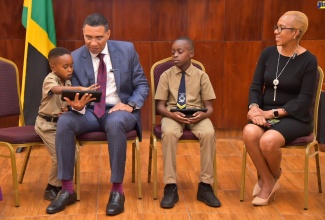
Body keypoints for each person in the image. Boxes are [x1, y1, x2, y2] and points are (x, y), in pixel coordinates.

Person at [45, 13, 149, 215]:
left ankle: (117, 191)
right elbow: (72, 90)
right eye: (88, 37)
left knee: (116, 122)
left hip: (118, 110)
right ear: (83, 33)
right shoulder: (74, 57)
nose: (93, 43)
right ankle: (67, 190)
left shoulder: (127, 50)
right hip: (89, 111)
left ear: (108, 34)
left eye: (98, 38)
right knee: (65, 122)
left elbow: (142, 85)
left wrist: (131, 104)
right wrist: (75, 105)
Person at [243, 11, 318, 206]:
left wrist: (271, 113)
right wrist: (254, 108)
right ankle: (269, 179)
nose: (276, 31)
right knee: (249, 131)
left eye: (281, 28)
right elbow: (255, 87)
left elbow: (304, 101)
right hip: (265, 111)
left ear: (295, 33)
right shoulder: (268, 53)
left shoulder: (309, 61)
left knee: (268, 141)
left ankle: (268, 181)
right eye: (276, 26)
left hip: (296, 117)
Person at [154, 37, 221, 209]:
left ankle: (205, 186)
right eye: (172, 52)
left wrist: (201, 115)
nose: (174, 56)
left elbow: (210, 108)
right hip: (172, 114)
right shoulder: (166, 75)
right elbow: (159, 106)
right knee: (168, 133)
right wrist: (172, 114)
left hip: (197, 115)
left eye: (179, 52)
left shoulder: (201, 76)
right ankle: (170, 186)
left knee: (208, 133)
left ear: (191, 53)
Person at [35, 47, 99, 202]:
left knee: (71, 154)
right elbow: (57, 90)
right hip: (47, 126)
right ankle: (52, 187)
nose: (70, 69)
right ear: (53, 68)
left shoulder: (68, 81)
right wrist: (79, 89)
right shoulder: (50, 79)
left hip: (61, 126)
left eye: (71, 66)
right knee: (59, 156)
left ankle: (64, 186)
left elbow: (69, 102)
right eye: (65, 67)